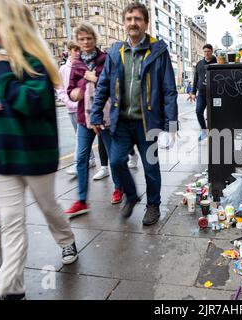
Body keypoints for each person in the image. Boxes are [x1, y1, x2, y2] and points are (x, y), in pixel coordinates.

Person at [0, 0, 78, 300]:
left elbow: (31, 103)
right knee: (11, 224)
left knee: (48, 207)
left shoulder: (34, 61)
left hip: (34, 156)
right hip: (5, 156)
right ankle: (10, 289)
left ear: (7, 24)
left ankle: (66, 239)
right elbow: (5, 102)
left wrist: (2, 72)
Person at [91, 2, 178, 226]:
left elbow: (169, 90)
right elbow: (103, 85)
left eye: (138, 19)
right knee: (117, 161)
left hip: (148, 123)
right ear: (124, 22)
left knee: (150, 168)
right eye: (129, 19)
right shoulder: (116, 52)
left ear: (146, 23)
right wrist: (96, 114)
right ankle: (131, 195)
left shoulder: (158, 51)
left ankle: (153, 205)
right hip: (122, 122)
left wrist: (171, 127)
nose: (133, 23)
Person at [64, 22, 124, 218]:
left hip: (104, 117)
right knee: (81, 158)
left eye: (88, 38)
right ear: (77, 41)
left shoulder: (105, 58)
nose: (85, 42)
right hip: (84, 118)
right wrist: (75, 92)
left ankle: (119, 188)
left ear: (94, 39)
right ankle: (81, 200)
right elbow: (70, 89)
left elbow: (115, 84)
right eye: (81, 39)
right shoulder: (76, 63)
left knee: (113, 157)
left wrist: (96, 78)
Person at [56, 41, 97, 177]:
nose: (78, 52)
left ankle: (79, 162)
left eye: (79, 50)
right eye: (75, 49)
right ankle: (89, 159)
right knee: (80, 137)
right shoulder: (63, 69)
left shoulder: (83, 65)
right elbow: (60, 89)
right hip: (71, 108)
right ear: (69, 50)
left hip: (84, 108)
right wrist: (68, 102)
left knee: (84, 138)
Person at [188, 44, 217, 141]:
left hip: (214, 94)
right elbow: (196, 79)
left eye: (208, 51)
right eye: (205, 51)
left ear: (212, 51)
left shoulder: (217, 62)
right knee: (198, 111)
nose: (206, 53)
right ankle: (204, 131)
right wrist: (193, 92)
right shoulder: (199, 64)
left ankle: (215, 132)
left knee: (213, 114)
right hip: (202, 94)